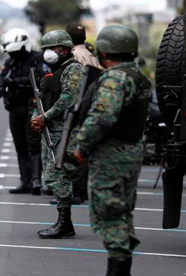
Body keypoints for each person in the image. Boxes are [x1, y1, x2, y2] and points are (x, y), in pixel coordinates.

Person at [73, 25, 151, 275]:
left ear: (104, 52)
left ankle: (117, 269)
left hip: (111, 157)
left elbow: (103, 117)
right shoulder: (139, 77)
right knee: (122, 212)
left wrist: (82, 145)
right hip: (131, 153)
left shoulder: (114, 79)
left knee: (109, 214)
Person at [30, 30, 84, 238]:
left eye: (53, 48)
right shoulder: (50, 71)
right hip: (50, 129)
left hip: (65, 128)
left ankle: (65, 224)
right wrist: (36, 117)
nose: (48, 53)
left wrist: (46, 117)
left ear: (64, 49)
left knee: (58, 174)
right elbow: (40, 99)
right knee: (52, 175)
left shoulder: (73, 69)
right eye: (46, 49)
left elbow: (69, 98)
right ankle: (64, 222)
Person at [0, 28, 45, 195]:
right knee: (20, 145)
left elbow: (39, 79)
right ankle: (26, 181)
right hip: (15, 108)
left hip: (32, 107)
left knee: (34, 144)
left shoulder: (37, 58)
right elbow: (2, 77)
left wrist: (14, 81)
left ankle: (37, 180)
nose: (13, 54)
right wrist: (1, 87)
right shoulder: (11, 62)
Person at [65, 23, 100, 205]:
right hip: (91, 105)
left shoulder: (73, 57)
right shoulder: (91, 56)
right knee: (85, 148)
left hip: (77, 106)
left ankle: (77, 192)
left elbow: (74, 86)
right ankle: (83, 190)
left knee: (74, 149)